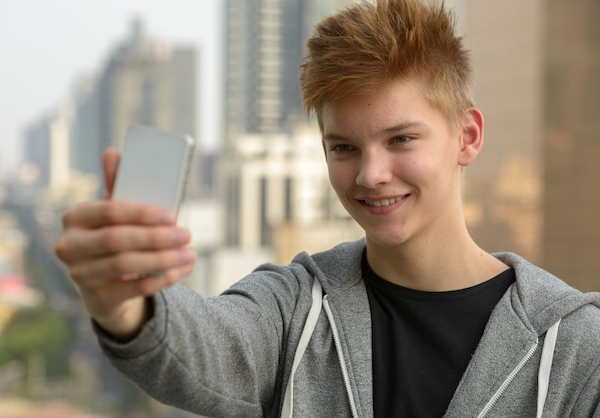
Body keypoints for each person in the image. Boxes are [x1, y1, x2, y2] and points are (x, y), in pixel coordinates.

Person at [55, 0, 600, 416]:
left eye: (401, 140)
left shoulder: (578, 345)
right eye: (344, 147)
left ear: (467, 136)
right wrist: (125, 304)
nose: (370, 174)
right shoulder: (295, 308)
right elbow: (202, 343)